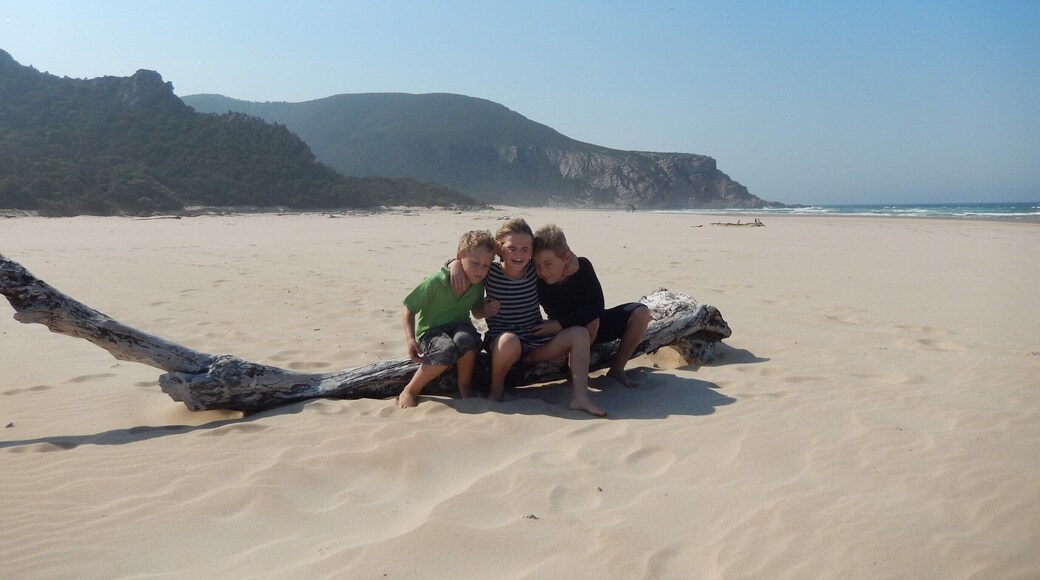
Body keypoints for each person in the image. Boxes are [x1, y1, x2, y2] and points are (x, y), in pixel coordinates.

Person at [454, 218, 606, 416]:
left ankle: (581, 397)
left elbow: (562, 256)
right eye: (512, 248)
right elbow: (469, 264)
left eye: (526, 249)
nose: (519, 254)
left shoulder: (535, 271)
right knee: (510, 340)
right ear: (499, 248)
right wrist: (454, 265)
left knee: (579, 333)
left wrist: (575, 260)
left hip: (535, 339)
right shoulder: (489, 271)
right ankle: (496, 388)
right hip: (503, 343)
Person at [532, 223, 652, 388]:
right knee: (589, 324)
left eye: (548, 264)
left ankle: (617, 370)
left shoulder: (582, 266)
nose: (542, 271)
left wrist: (560, 323)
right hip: (564, 335)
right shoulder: (537, 280)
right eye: (537, 265)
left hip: (584, 324)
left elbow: (597, 307)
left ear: (566, 258)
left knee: (641, 312)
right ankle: (574, 373)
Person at [398, 230, 495, 409]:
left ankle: (464, 385)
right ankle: (411, 389)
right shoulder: (436, 282)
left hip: (460, 326)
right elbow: (408, 309)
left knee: (466, 340)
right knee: (446, 349)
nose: (481, 270)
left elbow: (476, 312)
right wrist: (410, 339)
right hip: (432, 331)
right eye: (475, 263)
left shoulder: (477, 284)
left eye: (486, 265)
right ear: (459, 257)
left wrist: (485, 310)